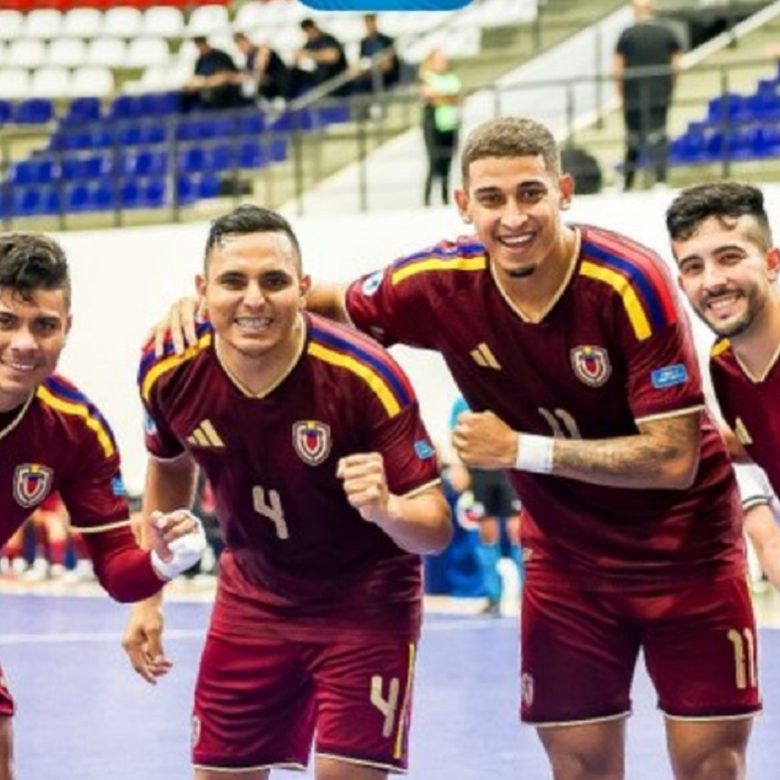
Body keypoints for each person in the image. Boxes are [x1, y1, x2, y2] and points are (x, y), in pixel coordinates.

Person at [151, 117, 758, 780]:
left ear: (564, 191)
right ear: (464, 205)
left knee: (712, 768)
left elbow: (674, 459)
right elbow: (307, 299)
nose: (514, 216)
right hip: (567, 562)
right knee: (580, 771)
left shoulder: (629, 282)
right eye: (492, 199)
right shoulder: (437, 282)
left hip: (686, 552)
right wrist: (207, 301)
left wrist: (522, 449)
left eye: (531, 193)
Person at [122, 205, 451, 779]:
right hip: (253, 596)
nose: (254, 300)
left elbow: (435, 527)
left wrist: (387, 508)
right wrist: (150, 592)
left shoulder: (365, 377)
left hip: (365, 603)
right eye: (233, 282)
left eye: (273, 281)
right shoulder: (167, 366)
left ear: (302, 288)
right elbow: (168, 464)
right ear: (202, 291)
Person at [0, 232, 206, 780]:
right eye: (5, 321)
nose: (24, 343)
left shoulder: (75, 429)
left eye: (43, 325)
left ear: (67, 328)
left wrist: (162, 560)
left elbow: (119, 572)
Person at [668, 180, 780, 588]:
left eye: (729, 258)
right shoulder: (724, 365)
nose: (712, 281)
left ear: (771, 262)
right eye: (693, 267)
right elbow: (758, 440)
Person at [449, 396, 521, 615]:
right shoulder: (461, 403)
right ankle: (493, 596)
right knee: (487, 534)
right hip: (479, 472)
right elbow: (456, 437)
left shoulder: (505, 393)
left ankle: (528, 596)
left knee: (518, 530)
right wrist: (457, 466)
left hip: (509, 469)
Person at [613, 0, 682, 190]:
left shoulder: (627, 34)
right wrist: (671, 87)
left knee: (634, 138)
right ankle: (659, 180)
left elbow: (618, 66)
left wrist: (619, 92)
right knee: (656, 135)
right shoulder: (667, 33)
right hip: (658, 92)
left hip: (633, 94)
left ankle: (628, 182)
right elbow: (676, 63)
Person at [419, 49, 461, 206]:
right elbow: (432, 98)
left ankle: (445, 198)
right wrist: (445, 98)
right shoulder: (426, 77)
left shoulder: (451, 77)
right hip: (433, 125)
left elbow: (454, 97)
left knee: (447, 162)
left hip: (450, 124)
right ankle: (427, 199)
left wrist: (440, 97)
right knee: (433, 161)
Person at [182, 36, 246, 112]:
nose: (198, 46)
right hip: (206, 94)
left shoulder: (220, 57)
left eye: (200, 43)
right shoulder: (200, 60)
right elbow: (196, 77)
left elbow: (226, 76)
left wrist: (206, 82)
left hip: (225, 96)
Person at [291, 18, 350, 99]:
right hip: (319, 80)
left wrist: (310, 54)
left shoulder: (327, 39)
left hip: (335, 79)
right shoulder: (309, 44)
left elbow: (333, 56)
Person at [232, 32, 291, 105]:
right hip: (268, 90)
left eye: (242, 43)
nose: (241, 47)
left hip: (280, 85)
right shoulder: (248, 60)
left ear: (247, 40)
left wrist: (254, 78)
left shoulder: (261, 50)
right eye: (239, 45)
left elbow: (261, 65)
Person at [353, 14, 401, 96]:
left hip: (387, 79)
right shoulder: (364, 42)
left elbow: (389, 64)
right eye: (366, 23)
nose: (369, 26)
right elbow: (362, 61)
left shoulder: (386, 40)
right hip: (369, 79)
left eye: (371, 22)